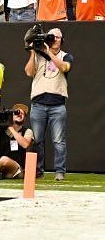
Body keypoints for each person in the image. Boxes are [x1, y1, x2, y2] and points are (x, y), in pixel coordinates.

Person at [24, 28, 73, 181]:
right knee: (37, 140)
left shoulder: (66, 56)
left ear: (62, 40)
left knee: (59, 141)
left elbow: (64, 67)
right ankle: (38, 171)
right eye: (53, 37)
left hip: (57, 104)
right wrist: (33, 52)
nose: (55, 40)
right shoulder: (38, 55)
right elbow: (28, 72)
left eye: (58, 37)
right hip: (38, 103)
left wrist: (48, 52)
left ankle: (60, 171)